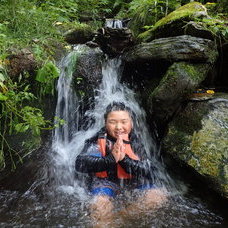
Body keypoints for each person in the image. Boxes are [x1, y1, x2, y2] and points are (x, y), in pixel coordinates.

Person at [75, 102, 167, 227]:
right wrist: (111, 159)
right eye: (113, 122)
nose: (119, 127)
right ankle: (106, 220)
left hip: (132, 182)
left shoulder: (135, 142)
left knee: (158, 197)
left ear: (131, 123)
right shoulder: (97, 140)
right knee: (100, 205)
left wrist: (124, 160)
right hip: (105, 182)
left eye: (124, 122)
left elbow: (151, 171)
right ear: (105, 123)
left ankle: (120, 218)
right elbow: (80, 163)